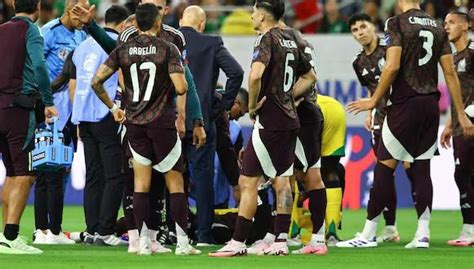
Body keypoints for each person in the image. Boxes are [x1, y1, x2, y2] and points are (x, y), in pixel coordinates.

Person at [70, 1, 206, 252]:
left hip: (134, 123)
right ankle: (184, 242)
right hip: (162, 123)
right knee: (175, 182)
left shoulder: (125, 48)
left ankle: (142, 242)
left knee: (139, 185)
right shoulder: (168, 47)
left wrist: (114, 107)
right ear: (158, 21)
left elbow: (97, 81)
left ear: (135, 22)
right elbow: (181, 87)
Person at [343, 0, 474, 249]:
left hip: (404, 104)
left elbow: (391, 66)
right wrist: (460, 113)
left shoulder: (396, 23)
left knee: (383, 168)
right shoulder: (437, 26)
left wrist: (373, 100)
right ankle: (422, 234)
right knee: (422, 170)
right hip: (430, 106)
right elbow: (449, 73)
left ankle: (367, 234)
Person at [209, 0, 316, 257]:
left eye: (255, 11)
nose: (252, 15)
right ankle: (279, 241)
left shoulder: (265, 39)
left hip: (270, 121)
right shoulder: (292, 38)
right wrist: (287, 96)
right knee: (281, 181)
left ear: (264, 15)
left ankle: (238, 242)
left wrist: (255, 104)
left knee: (248, 181)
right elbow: (310, 76)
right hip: (289, 119)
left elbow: (255, 75)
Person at [179, 5, 244, 246]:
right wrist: (222, 107)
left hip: (169, 122)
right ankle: (204, 236)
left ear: (180, 21)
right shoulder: (212, 43)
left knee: (170, 178)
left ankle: (171, 232)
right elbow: (236, 73)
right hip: (203, 122)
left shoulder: (167, 41)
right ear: (202, 23)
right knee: (203, 178)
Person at [0, 0, 58, 254]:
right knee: (26, 173)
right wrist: (48, 100)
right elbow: (39, 66)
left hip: (0, 107)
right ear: (37, 6)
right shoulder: (31, 30)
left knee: (12, 173)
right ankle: (10, 236)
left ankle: (5, 237)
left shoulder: (1, 29)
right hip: (18, 108)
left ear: (13, 4)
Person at [69, 5, 130, 246]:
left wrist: (76, 116)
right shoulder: (117, 46)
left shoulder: (80, 48)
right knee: (114, 176)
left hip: (83, 116)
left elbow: (73, 86)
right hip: (107, 114)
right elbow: (124, 82)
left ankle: (92, 229)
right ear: (124, 24)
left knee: (94, 176)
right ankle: (106, 231)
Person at [33, 0, 88, 245]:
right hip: (50, 107)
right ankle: (41, 230)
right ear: (69, 9)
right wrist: (43, 100)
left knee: (62, 171)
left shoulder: (83, 34)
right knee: (45, 170)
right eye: (80, 12)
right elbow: (36, 67)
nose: (83, 17)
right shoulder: (50, 32)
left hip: (71, 111)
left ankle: (55, 229)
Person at [349, 13, 403, 243]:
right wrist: (371, 112)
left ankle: (423, 231)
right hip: (380, 120)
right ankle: (390, 229)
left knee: (412, 170)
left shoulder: (390, 48)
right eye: (355, 30)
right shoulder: (358, 62)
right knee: (384, 176)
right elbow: (373, 89)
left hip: (401, 116)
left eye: (363, 26)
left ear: (373, 27)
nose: (360, 32)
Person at [441, 11, 474, 247]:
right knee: (463, 175)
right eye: (445, 23)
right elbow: (457, 96)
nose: (447, 27)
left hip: (471, 122)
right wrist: (450, 123)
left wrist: (469, 115)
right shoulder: (452, 58)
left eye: (451, 22)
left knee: (464, 174)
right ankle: (469, 229)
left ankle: (469, 230)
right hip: (460, 125)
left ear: (465, 26)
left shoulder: (472, 53)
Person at [316, 94, 346, 246]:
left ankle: (293, 231)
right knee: (332, 171)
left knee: (293, 172)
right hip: (334, 107)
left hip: (309, 109)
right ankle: (332, 232)